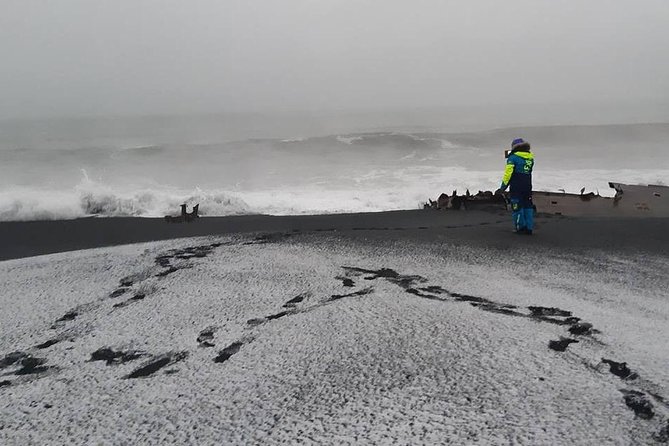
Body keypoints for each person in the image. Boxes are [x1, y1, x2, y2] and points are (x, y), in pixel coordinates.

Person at [496, 138, 535, 234]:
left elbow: (508, 174)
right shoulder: (530, 157)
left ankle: (520, 228)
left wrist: (503, 187)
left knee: (517, 206)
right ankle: (529, 228)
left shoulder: (513, 158)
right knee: (528, 206)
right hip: (527, 185)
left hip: (517, 186)